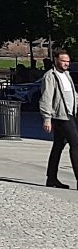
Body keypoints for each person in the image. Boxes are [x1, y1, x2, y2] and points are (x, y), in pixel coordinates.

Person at [40, 50, 78, 189]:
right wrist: (47, 118)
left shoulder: (67, 75)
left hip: (70, 114)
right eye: (63, 61)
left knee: (58, 145)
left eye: (68, 61)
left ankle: (51, 178)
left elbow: (73, 95)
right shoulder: (50, 76)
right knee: (76, 144)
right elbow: (46, 98)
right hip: (60, 116)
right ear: (56, 60)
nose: (66, 64)